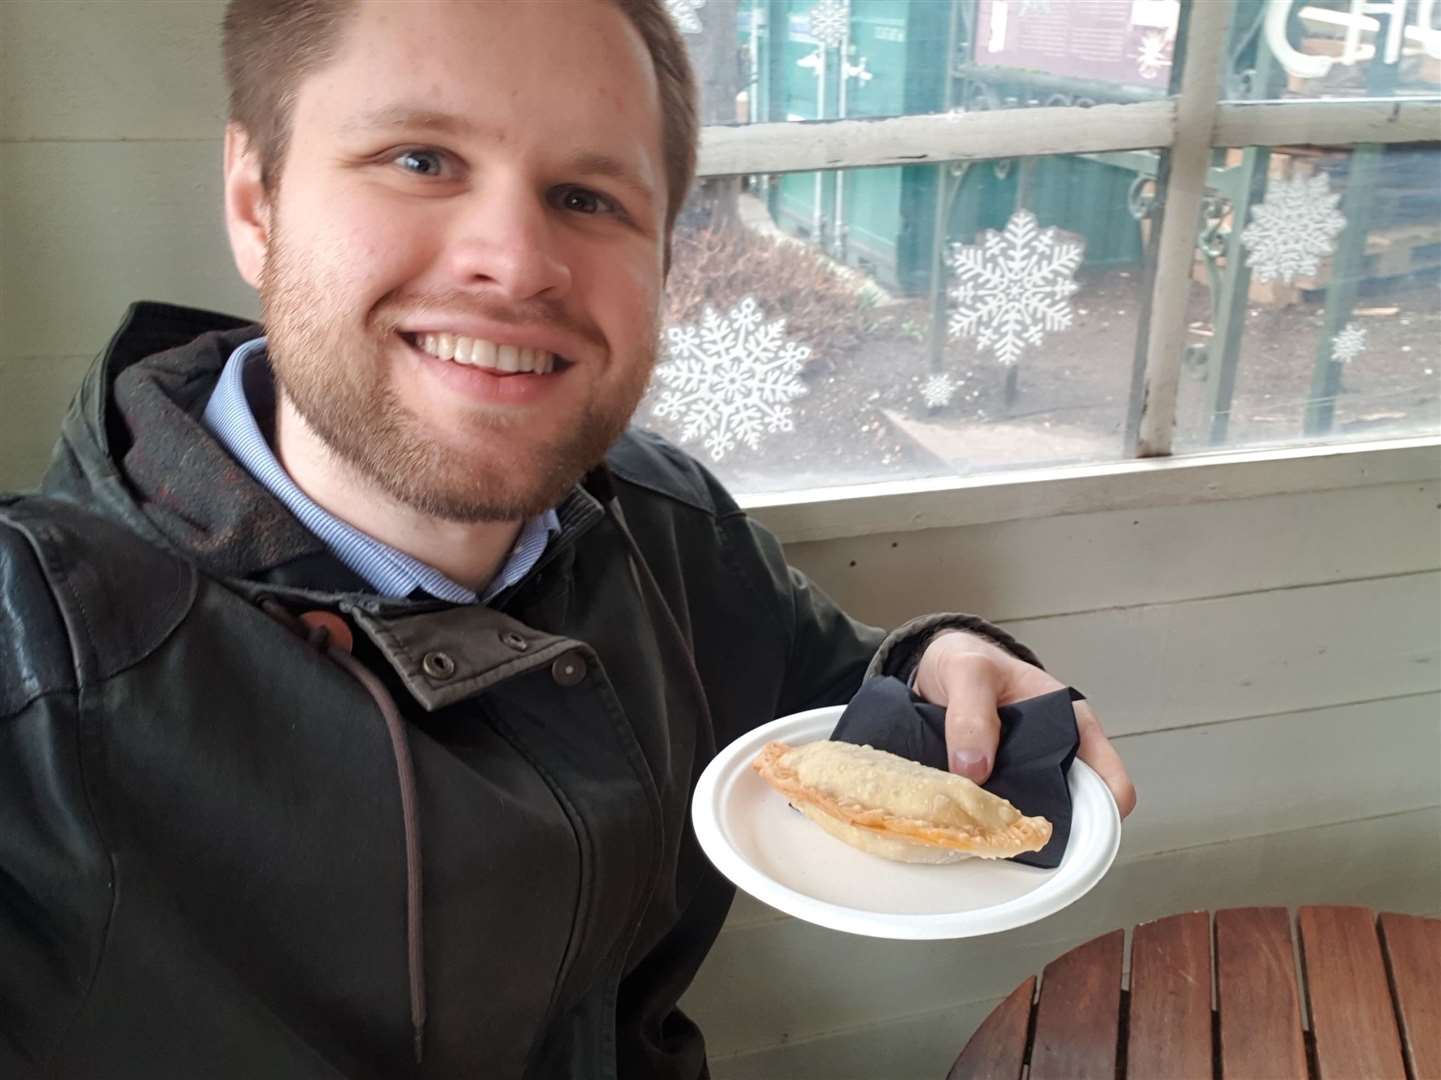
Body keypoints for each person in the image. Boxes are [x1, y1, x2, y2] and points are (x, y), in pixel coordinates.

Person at [0, 1, 1135, 1076]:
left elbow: (835, 701)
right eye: (420, 160)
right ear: (257, 198)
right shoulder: (36, 678)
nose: (516, 260)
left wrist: (937, 662)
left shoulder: (664, 523)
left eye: (588, 197)